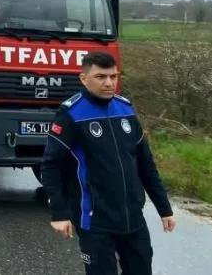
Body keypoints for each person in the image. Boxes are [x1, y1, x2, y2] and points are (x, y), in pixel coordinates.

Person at [40, 51, 175, 275]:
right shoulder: (71, 114)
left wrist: (164, 208)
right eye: (101, 77)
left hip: (133, 217)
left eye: (113, 76)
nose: (109, 83)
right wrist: (59, 213)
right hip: (95, 220)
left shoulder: (125, 109)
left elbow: (145, 164)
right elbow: (51, 166)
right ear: (84, 79)